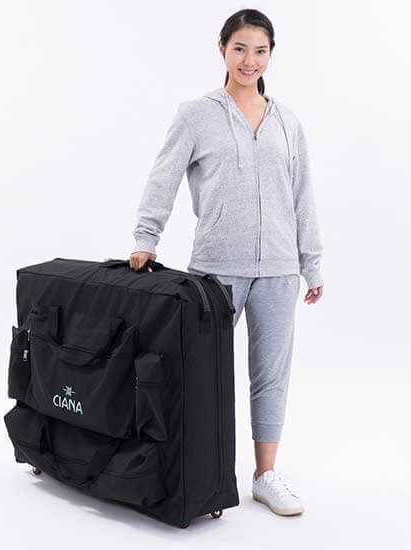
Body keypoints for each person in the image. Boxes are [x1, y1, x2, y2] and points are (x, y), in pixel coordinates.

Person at [129, 9, 323, 517]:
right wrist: (146, 237)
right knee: (197, 375)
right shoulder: (197, 115)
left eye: (260, 51)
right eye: (240, 48)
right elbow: (164, 176)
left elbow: (302, 196)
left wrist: (311, 263)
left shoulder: (288, 122)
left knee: (270, 376)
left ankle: (265, 475)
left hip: (279, 270)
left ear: (271, 55)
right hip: (216, 269)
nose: (249, 60)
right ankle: (190, 470)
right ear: (222, 49)